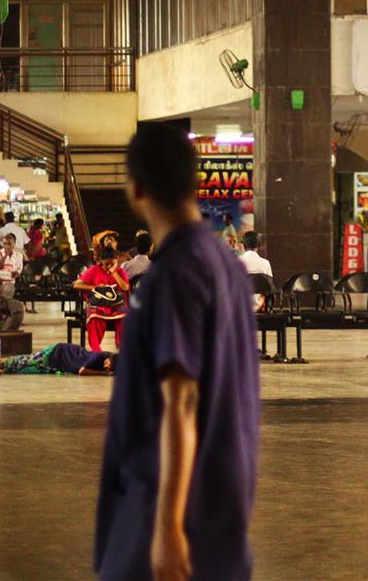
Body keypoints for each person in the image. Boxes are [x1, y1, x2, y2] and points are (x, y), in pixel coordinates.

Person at [94, 122, 259, 581]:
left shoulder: (173, 275)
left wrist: (166, 526)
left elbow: (181, 400)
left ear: (136, 188)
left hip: (166, 503)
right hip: (221, 492)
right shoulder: (224, 264)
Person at [75, 238, 130, 351]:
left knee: (125, 320)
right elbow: (77, 284)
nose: (108, 267)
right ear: (100, 261)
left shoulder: (120, 271)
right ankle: (97, 353)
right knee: (94, 319)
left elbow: (125, 287)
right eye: (106, 264)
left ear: (116, 261)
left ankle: (125, 352)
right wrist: (95, 287)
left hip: (116, 304)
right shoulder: (94, 270)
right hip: (98, 304)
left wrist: (114, 272)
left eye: (112, 264)